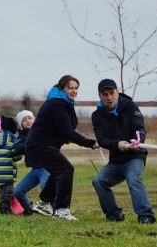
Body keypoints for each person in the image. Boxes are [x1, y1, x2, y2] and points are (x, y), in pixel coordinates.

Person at [25, 75, 97, 221]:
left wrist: (66, 137)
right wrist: (88, 142)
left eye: (76, 88)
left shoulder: (65, 103)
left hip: (45, 145)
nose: (74, 91)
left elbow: (63, 128)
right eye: (70, 88)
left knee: (59, 171)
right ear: (62, 88)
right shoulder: (58, 104)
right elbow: (67, 130)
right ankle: (61, 210)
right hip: (40, 145)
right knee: (66, 169)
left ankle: (43, 203)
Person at [91, 79, 156, 224]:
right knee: (98, 181)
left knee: (133, 179)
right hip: (116, 160)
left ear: (117, 92)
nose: (109, 97)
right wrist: (117, 144)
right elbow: (101, 140)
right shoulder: (97, 115)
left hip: (135, 156)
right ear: (100, 96)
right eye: (105, 94)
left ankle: (146, 215)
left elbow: (139, 128)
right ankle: (114, 215)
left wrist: (136, 140)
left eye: (112, 93)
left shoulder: (130, 106)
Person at [13, 110, 52, 216]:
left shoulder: (41, 131)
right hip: (35, 170)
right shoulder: (21, 137)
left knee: (46, 185)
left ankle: (57, 209)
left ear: (34, 119)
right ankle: (28, 209)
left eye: (30, 118)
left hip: (46, 167)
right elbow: (17, 149)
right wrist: (29, 143)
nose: (28, 121)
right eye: (24, 120)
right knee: (17, 191)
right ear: (21, 124)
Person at [0, 115, 23, 214]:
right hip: (7, 172)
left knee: (3, 192)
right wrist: (19, 155)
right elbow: (15, 155)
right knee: (8, 193)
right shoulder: (11, 142)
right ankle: (4, 210)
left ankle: (6, 209)